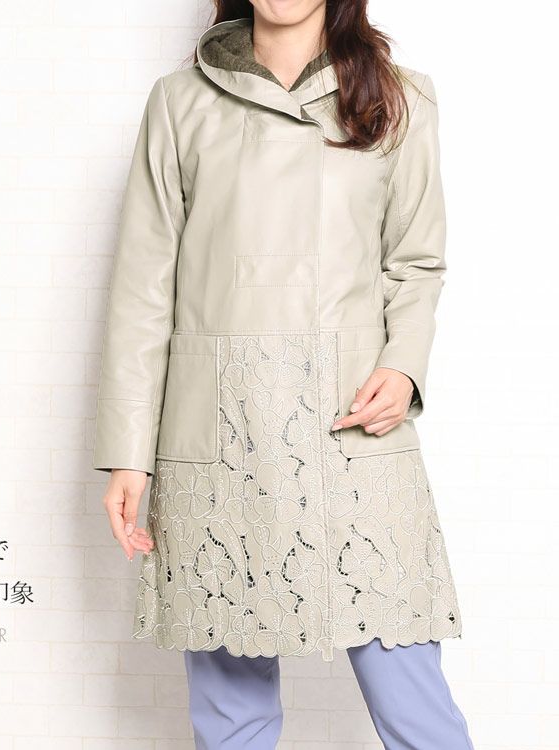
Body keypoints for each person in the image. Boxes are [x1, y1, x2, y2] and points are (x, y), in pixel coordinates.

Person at [91, 1, 475, 747]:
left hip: (350, 428)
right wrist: (129, 454)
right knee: (231, 717)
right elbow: (143, 289)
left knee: (413, 704)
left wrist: (402, 367)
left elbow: (416, 261)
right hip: (220, 438)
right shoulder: (180, 102)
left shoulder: (400, 98)